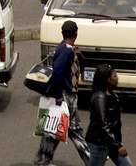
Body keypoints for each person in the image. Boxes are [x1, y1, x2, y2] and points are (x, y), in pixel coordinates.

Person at [34, 20, 90, 166]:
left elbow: (79, 71)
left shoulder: (68, 49)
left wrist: (81, 57)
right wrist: (59, 96)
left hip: (64, 95)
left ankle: (42, 160)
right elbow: (58, 74)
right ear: (76, 34)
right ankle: (92, 160)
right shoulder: (66, 51)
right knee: (74, 129)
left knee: (52, 130)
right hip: (66, 96)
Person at [85, 65, 131, 166]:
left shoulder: (111, 95)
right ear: (107, 79)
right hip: (100, 143)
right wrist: (117, 145)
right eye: (115, 76)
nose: (118, 78)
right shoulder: (99, 98)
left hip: (111, 142)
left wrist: (116, 142)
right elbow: (103, 125)